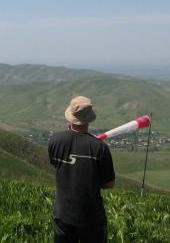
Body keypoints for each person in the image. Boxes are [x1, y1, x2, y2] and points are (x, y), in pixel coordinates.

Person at [48, 96, 115, 243]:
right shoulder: (100, 147)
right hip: (91, 218)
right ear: (89, 119)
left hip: (62, 215)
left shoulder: (55, 141)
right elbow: (110, 184)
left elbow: (59, 166)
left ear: (71, 117)